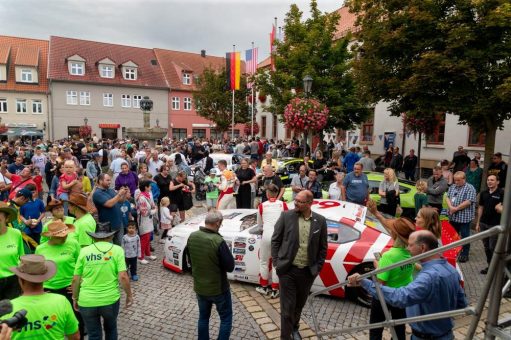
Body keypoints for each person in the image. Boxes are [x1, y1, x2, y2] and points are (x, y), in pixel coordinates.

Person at [348, 230, 467, 340]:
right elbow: (462, 303)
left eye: (410, 245)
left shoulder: (429, 277)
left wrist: (364, 282)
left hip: (426, 336)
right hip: (446, 334)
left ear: (422, 248)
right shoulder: (451, 270)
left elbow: (400, 297)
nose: (408, 248)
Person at [271, 190, 328, 339]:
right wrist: (277, 263)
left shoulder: (320, 221)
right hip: (287, 270)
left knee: (299, 305)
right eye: (295, 200)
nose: (295, 203)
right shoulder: (286, 216)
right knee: (287, 308)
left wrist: (317, 268)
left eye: (300, 201)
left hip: (307, 272)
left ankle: (295, 328)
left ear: (310, 204)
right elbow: (275, 240)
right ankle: (285, 336)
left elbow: (323, 247)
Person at [72, 222, 133, 340]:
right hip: (110, 300)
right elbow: (123, 276)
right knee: (111, 329)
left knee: (94, 334)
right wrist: (129, 295)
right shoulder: (117, 250)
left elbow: (76, 279)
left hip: (87, 301)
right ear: (110, 236)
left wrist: (75, 297)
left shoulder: (84, 251)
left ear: (93, 237)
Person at [6, 254, 79, 340]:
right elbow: (75, 337)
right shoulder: (61, 301)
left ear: (20, 279)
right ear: (45, 278)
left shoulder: (7, 308)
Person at [187, 209, 235, 340]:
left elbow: (190, 260)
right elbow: (230, 266)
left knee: (203, 318)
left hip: (200, 288)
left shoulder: (192, 236)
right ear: (218, 223)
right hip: (218, 289)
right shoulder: (218, 241)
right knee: (226, 319)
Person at [35, 220, 84, 339]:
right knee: (50, 323)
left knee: (77, 322)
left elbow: (81, 266)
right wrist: (40, 289)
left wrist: (78, 285)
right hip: (48, 290)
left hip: (69, 289)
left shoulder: (73, 243)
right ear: (51, 236)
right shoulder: (40, 249)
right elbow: (37, 272)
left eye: (66, 234)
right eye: (60, 236)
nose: (64, 237)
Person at [369, 216, 415, 340]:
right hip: (401, 295)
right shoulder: (411, 252)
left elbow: (380, 282)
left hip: (385, 297)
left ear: (394, 233)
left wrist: (378, 265)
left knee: (375, 328)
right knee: (399, 327)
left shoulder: (388, 256)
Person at [256, 184, 288, 299]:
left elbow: (259, 225)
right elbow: (287, 221)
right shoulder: (283, 205)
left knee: (264, 261)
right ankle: (275, 288)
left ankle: (264, 286)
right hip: (279, 237)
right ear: (277, 193)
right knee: (276, 264)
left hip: (266, 235)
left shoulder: (262, 206)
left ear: (267, 194)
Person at [476, 174, 504, 274]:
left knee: (493, 247)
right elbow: (481, 207)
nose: (489, 182)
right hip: (484, 223)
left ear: (498, 182)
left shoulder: (502, 193)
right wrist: (478, 222)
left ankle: (497, 269)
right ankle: (490, 266)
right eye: (488, 180)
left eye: (492, 180)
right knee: (486, 247)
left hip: (495, 225)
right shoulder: (484, 193)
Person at [446, 171, 476, 263]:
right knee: (452, 236)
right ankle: (453, 251)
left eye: (458, 180)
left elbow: (469, 201)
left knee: (465, 236)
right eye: (455, 180)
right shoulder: (452, 187)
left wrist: (456, 208)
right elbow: (447, 197)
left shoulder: (470, 188)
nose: (456, 182)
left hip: (464, 218)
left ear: (464, 179)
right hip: (453, 217)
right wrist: (451, 207)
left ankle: (464, 254)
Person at [93, 173, 128, 246]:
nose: (110, 182)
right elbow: (109, 204)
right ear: (100, 181)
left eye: (110, 180)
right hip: (107, 227)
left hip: (118, 224)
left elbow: (120, 201)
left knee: (119, 247)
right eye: (107, 180)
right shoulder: (97, 193)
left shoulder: (110, 190)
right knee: (110, 249)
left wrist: (124, 193)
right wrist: (119, 194)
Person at [0, 202, 24, 301]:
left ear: (6, 219)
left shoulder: (16, 234)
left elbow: (22, 258)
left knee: (13, 313)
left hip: (13, 281)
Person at [136, 180, 158, 264]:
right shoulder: (141, 198)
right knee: (144, 238)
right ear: (146, 187)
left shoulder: (147, 195)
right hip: (143, 220)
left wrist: (153, 207)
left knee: (148, 238)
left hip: (148, 220)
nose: (151, 187)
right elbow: (144, 212)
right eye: (149, 186)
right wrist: (154, 210)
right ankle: (140, 257)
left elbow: (152, 205)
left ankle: (148, 254)